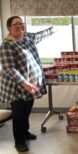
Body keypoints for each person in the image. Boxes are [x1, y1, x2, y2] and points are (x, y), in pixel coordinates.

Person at [0, 16, 54, 152]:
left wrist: (53, 29)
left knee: (26, 111)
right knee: (19, 114)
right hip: (16, 87)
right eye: (15, 24)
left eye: (20, 23)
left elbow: (40, 35)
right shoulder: (7, 45)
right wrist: (25, 83)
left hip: (30, 85)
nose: (19, 26)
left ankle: (25, 132)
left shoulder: (27, 37)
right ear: (9, 28)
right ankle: (19, 142)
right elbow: (9, 69)